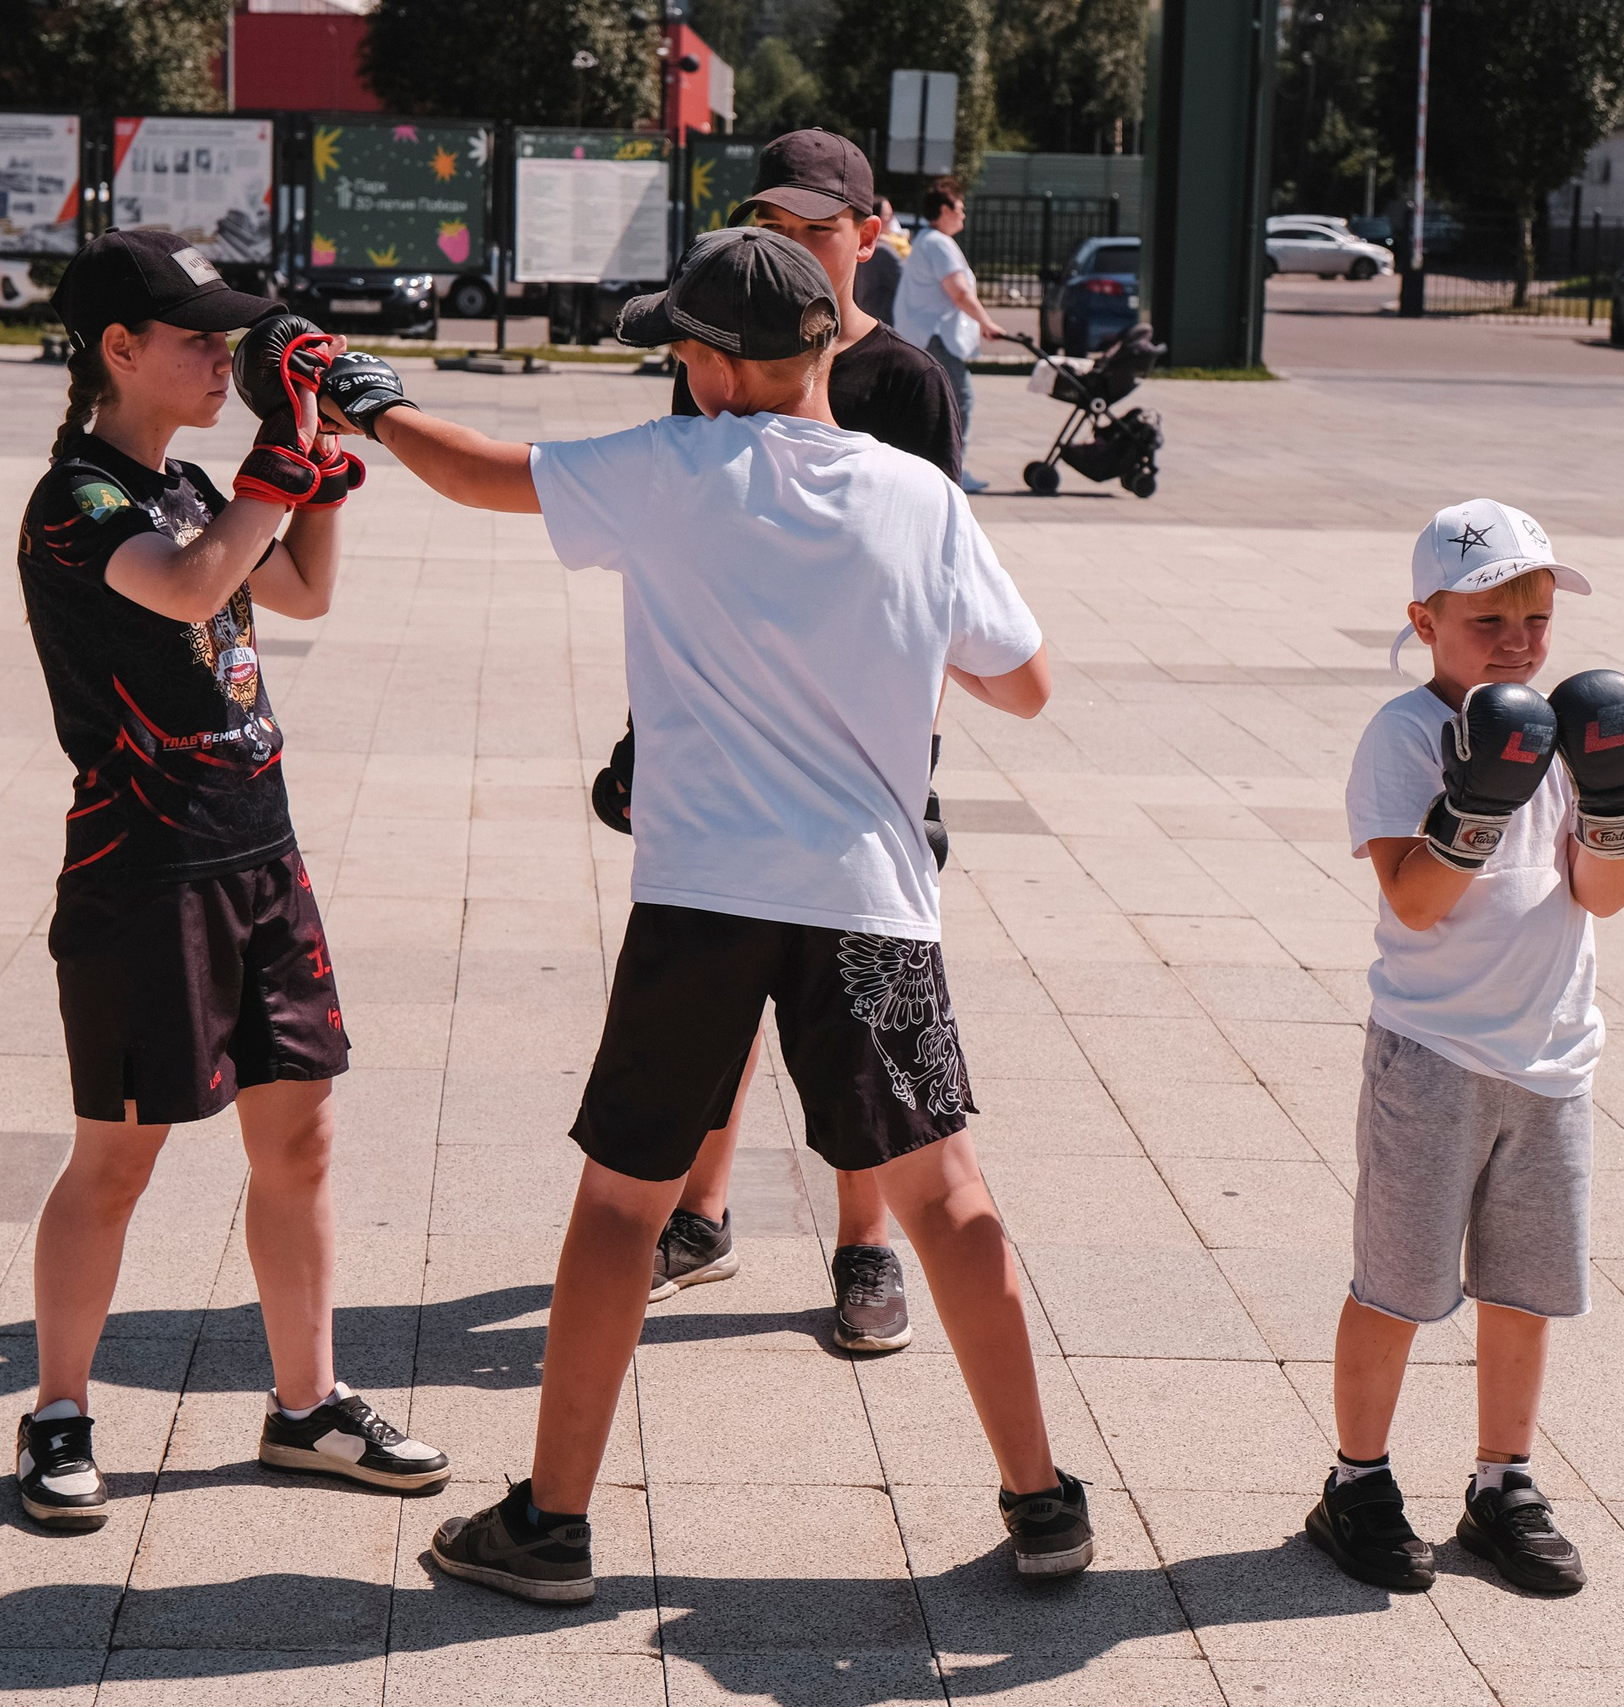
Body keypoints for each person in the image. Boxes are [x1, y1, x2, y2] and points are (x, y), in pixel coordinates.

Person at [315, 226, 1091, 1603]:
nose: (676, 370)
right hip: (870, 902)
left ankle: (552, 1524)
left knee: (626, 1201)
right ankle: (1041, 1501)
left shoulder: (672, 470)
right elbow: (1024, 684)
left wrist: (364, 398)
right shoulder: (920, 496)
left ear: (719, 369)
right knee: (946, 1193)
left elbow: (477, 470)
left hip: (703, 901)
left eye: (680, 349)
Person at [9, 228, 448, 1530]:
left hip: (260, 853)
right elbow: (194, 586)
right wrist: (277, 462)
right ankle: (57, 1410)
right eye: (198, 337)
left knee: (300, 1138)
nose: (224, 356)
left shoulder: (196, 483)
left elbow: (297, 590)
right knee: (117, 1160)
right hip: (143, 871)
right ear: (118, 348)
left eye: (230, 337)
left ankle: (307, 1404)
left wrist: (311, 473)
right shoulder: (79, 502)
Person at [632, 129, 962, 1356]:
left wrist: (915, 761)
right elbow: (683, 550)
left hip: (859, 761)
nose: (796, 251)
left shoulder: (907, 384)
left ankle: (864, 1241)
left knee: (859, 1025)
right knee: (717, 1000)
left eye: (819, 230)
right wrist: (645, 735)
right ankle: (700, 1215)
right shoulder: (713, 352)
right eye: (771, 229)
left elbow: (933, 587)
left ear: (869, 236)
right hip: (722, 745)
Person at [1311, 499, 1624, 1599]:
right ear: (1424, 620)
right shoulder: (1404, 736)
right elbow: (1413, 902)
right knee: (1396, 1283)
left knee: (1523, 1291)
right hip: (1431, 1054)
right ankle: (1356, 1480)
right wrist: (1476, 802)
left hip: (1551, 1057)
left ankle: (1502, 1482)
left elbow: (1602, 894)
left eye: (1535, 617)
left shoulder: (1564, 731)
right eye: (1487, 620)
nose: (1517, 641)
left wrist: (1617, 806)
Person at [893, 178, 1010, 495]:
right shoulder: (939, 244)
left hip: (927, 335)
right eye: (960, 207)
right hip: (936, 336)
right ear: (944, 210)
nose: (963, 214)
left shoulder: (928, 241)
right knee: (960, 399)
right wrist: (987, 322)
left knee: (937, 402)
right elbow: (958, 292)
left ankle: (938, 466)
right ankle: (952, 470)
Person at [854, 196, 904, 326]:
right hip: (884, 323)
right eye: (889, 215)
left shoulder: (859, 248)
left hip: (866, 318)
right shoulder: (883, 251)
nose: (893, 219)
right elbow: (906, 285)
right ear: (875, 221)